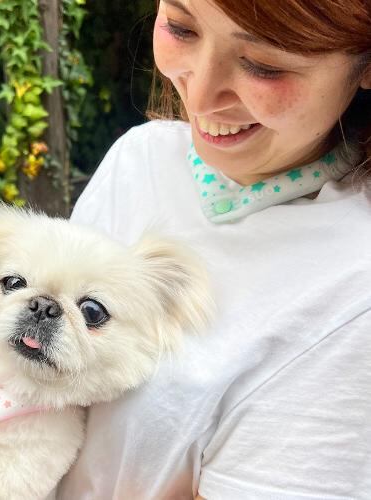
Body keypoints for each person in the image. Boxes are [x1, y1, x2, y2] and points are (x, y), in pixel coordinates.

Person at [57, 0, 371, 498]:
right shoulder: (140, 158)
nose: (201, 97)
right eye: (181, 28)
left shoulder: (354, 285)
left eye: (263, 65)